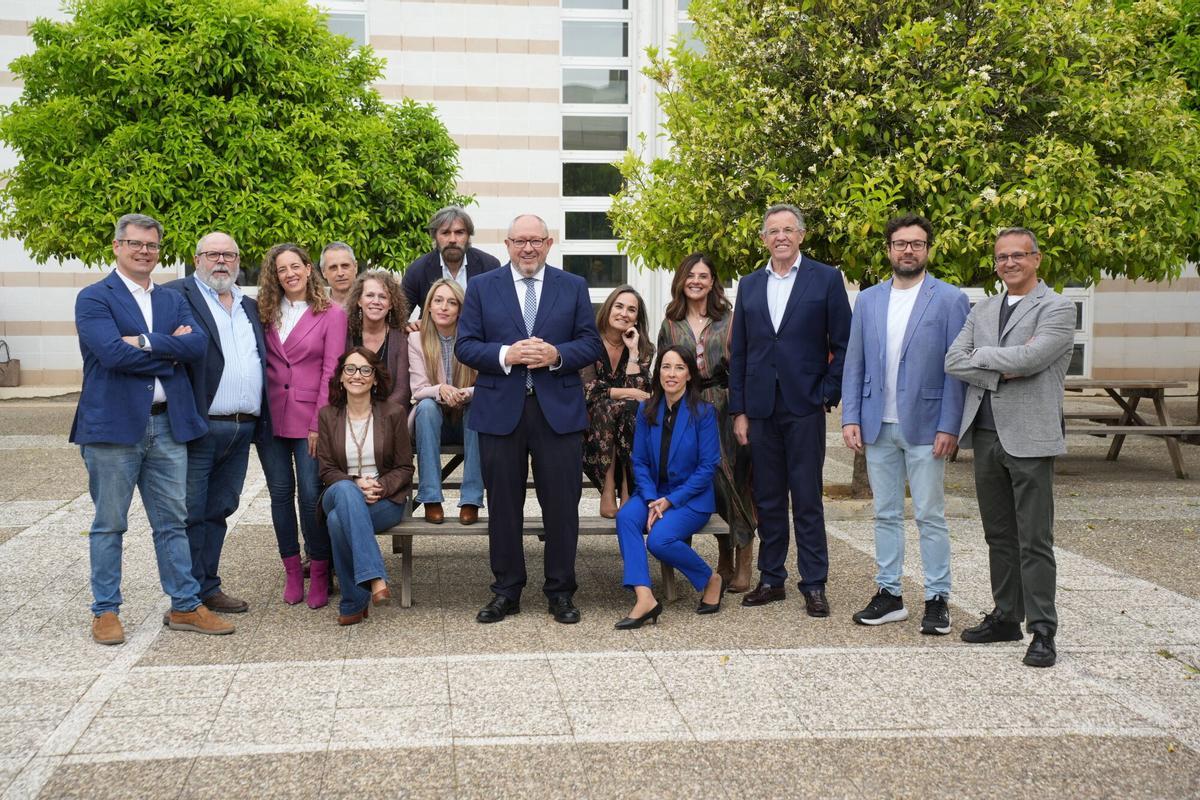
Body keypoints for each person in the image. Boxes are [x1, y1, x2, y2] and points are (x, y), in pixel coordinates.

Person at [71, 213, 233, 644]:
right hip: (112, 429)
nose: (144, 251)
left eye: (152, 245)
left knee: (173, 522)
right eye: (136, 243)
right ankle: (105, 611)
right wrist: (168, 352)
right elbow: (110, 355)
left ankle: (185, 604)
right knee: (110, 523)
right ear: (117, 246)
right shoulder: (94, 298)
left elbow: (196, 346)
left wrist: (143, 342)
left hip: (167, 426)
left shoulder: (171, 298)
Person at [456, 214, 603, 624]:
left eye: (535, 241)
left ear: (549, 243)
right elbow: (466, 346)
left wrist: (557, 355)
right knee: (504, 506)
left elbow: (590, 343)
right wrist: (507, 354)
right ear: (507, 244)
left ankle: (561, 591)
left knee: (562, 506)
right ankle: (506, 591)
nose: (528, 248)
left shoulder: (572, 286)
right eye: (520, 241)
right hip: (500, 411)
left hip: (558, 412)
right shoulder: (482, 287)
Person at [945, 227, 1075, 668]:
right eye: (1002, 257)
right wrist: (1004, 363)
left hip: (1030, 437)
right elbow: (953, 360)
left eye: (1018, 255)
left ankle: (1043, 630)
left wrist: (983, 356)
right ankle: (1005, 616)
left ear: (1037, 259)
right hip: (985, 434)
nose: (1009, 263)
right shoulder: (983, 308)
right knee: (999, 534)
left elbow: (1033, 359)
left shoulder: (1057, 307)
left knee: (1034, 539)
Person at [841, 214, 970, 634]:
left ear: (928, 249)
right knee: (885, 514)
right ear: (889, 250)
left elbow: (957, 369)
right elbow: (855, 362)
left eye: (916, 243)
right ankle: (889, 594)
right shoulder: (869, 300)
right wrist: (850, 416)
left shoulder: (949, 299)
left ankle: (937, 598)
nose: (908, 250)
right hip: (878, 425)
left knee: (930, 515)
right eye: (900, 243)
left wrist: (950, 425)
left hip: (928, 426)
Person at [729, 203, 852, 616]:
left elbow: (844, 344)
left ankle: (814, 584)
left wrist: (826, 394)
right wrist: (739, 410)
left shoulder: (826, 278)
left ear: (801, 235)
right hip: (760, 408)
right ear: (764, 239)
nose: (780, 236)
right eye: (773, 231)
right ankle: (771, 578)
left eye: (788, 229)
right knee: (767, 498)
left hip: (804, 406)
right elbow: (740, 351)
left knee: (806, 498)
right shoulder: (749, 284)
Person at [164, 231, 271, 616]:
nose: (221, 261)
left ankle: (207, 586)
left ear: (239, 260)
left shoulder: (249, 305)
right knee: (190, 512)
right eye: (212, 254)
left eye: (228, 255)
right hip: (200, 425)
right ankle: (186, 598)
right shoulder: (175, 296)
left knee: (221, 508)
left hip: (242, 428)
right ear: (197, 260)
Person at [657, 253, 757, 592]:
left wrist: (742, 411)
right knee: (706, 483)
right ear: (681, 280)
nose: (696, 281)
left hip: (726, 405)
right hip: (688, 407)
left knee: (735, 481)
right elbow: (664, 370)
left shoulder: (730, 320)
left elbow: (743, 367)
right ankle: (723, 559)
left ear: (713, 281)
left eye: (703, 276)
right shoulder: (670, 323)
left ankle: (744, 560)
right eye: (690, 275)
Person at [257, 243, 348, 610]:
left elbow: (332, 371)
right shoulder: (264, 311)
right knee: (280, 495)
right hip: (270, 418)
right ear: (274, 276)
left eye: (295, 266)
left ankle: (321, 571)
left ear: (309, 269)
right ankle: (293, 571)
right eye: (282, 269)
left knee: (310, 496)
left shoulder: (331, 314)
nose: (290, 274)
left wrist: (317, 424)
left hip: (310, 419)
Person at [614, 346, 724, 629]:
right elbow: (639, 461)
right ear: (658, 373)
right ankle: (645, 597)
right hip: (653, 492)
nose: (671, 374)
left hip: (690, 498)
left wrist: (671, 500)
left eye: (679, 367)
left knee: (658, 540)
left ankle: (710, 579)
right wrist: (652, 498)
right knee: (626, 517)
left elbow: (707, 467)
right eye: (666, 367)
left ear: (689, 374)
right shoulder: (646, 410)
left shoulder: (704, 413)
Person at [317, 347, 414, 625]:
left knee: (337, 522)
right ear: (340, 377)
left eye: (365, 370)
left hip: (384, 500)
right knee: (346, 492)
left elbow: (405, 467)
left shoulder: (394, 413)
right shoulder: (328, 415)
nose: (356, 375)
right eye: (350, 369)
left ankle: (353, 602)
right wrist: (355, 483)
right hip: (338, 492)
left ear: (375, 379)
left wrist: (380, 486)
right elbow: (327, 469)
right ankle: (375, 577)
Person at [408, 279, 483, 524]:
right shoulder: (416, 339)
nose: (444, 307)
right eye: (438, 301)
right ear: (428, 306)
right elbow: (418, 390)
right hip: (432, 423)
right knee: (427, 407)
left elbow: (487, 386)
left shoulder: (474, 339)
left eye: (452, 302)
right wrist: (441, 390)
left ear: (460, 309)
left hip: (467, 422)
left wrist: (466, 393)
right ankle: (431, 498)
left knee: (478, 406)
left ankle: (471, 499)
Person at [581, 285, 654, 519]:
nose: (624, 313)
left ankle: (626, 489)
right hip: (590, 424)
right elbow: (588, 390)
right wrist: (626, 391)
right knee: (605, 407)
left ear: (637, 318)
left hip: (626, 424)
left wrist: (633, 354)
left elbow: (640, 394)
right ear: (608, 309)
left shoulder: (643, 348)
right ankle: (608, 487)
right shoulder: (589, 342)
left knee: (630, 409)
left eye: (631, 310)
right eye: (619, 306)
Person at [402, 206, 502, 318]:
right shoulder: (417, 270)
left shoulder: (489, 266)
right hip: (432, 329)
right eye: (445, 233)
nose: (452, 240)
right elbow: (399, 316)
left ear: (468, 236)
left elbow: (500, 312)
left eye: (459, 232)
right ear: (435, 236)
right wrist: (411, 325)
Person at [344, 269, 412, 410]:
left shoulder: (402, 338)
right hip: (350, 412)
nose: (376, 301)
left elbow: (403, 391)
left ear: (391, 304)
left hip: (389, 415)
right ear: (359, 301)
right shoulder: (345, 335)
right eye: (369, 295)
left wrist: (375, 415)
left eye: (383, 297)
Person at [320, 242, 357, 308]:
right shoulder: (315, 303)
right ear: (323, 272)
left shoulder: (371, 300)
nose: (340, 273)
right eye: (333, 268)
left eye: (345, 266)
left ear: (355, 267)